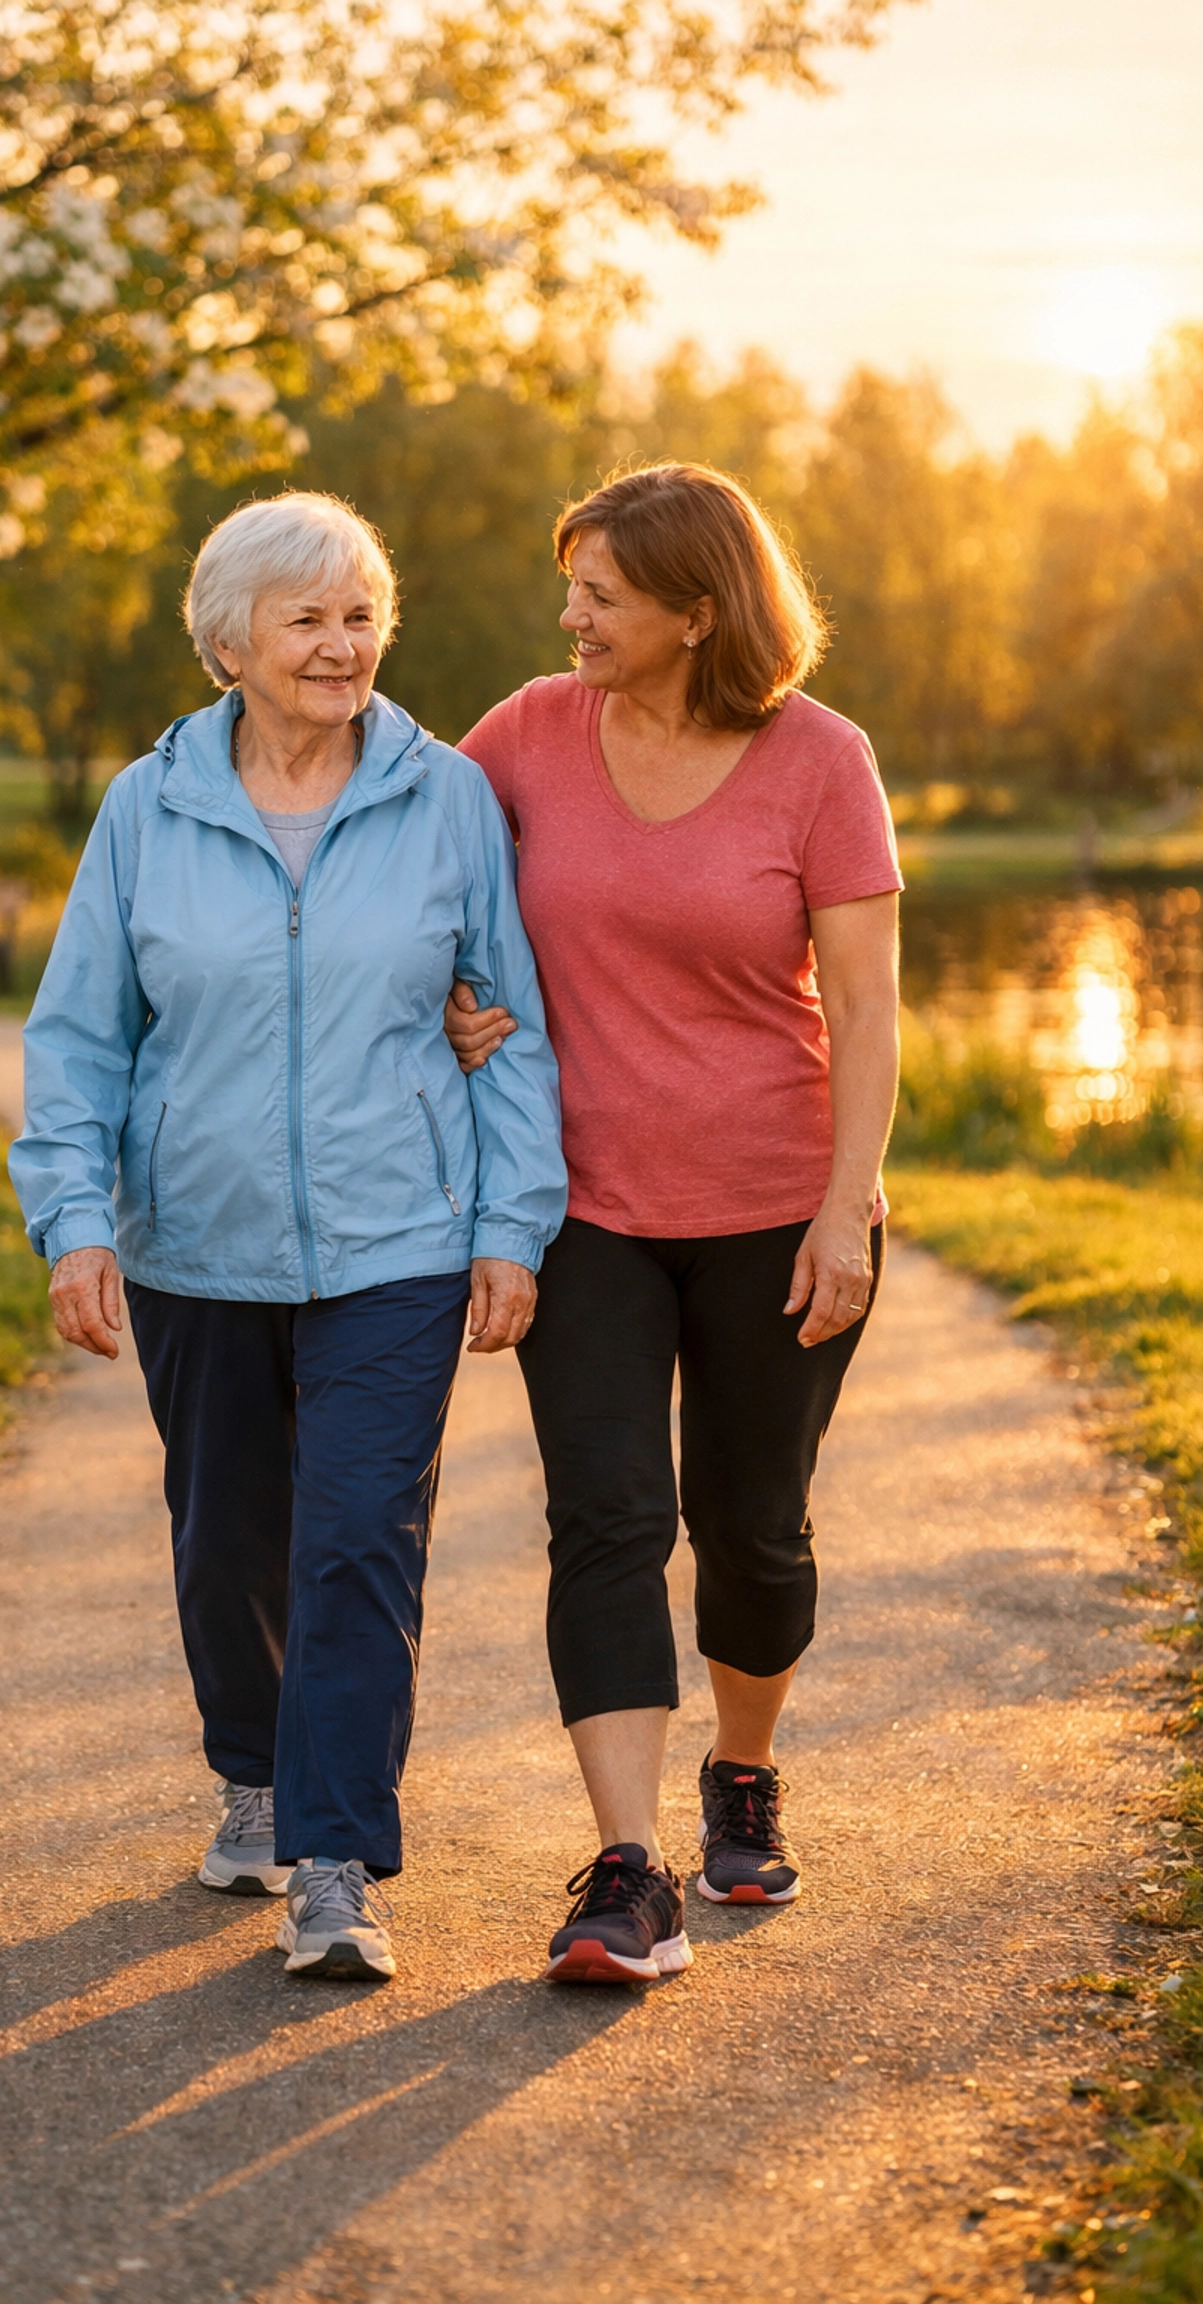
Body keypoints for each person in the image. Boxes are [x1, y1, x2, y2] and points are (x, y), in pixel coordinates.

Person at [10, 493, 565, 1983]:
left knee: (358, 1546)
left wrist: (511, 1225)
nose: (343, 645)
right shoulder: (150, 808)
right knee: (228, 1542)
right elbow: (80, 1038)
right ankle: (251, 1774)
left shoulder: (445, 799)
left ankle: (337, 1860)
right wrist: (74, 1222)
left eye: (362, 614)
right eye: (308, 619)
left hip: (400, 1237)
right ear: (228, 645)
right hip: (196, 1241)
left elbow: (506, 1028)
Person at [445, 462, 901, 1984]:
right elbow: (411, 866)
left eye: (602, 596)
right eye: (569, 585)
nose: (568, 615)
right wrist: (441, 998)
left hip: (778, 1208)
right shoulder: (525, 732)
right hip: (584, 1212)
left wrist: (847, 1211)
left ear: (697, 613)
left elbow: (867, 1011)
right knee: (611, 1520)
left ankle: (743, 1771)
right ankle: (629, 1869)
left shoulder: (820, 760)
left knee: (751, 1531)